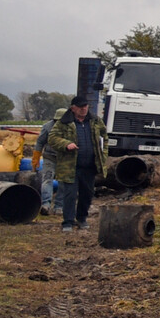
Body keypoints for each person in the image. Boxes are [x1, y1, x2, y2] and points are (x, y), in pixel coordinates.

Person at [46, 95, 107, 232]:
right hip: (70, 166)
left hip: (90, 166)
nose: (83, 109)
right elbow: (53, 138)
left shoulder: (95, 121)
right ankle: (68, 222)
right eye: (80, 107)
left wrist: (103, 155)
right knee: (70, 195)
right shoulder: (64, 122)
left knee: (87, 194)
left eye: (85, 106)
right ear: (73, 108)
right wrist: (66, 144)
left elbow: (105, 137)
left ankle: (82, 219)